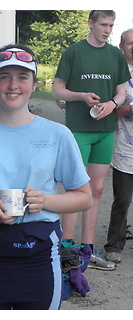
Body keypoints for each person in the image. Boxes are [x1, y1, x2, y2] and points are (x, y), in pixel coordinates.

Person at [0, 44, 92, 310]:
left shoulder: (57, 135)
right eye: (4, 76)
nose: (13, 85)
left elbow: (84, 198)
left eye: (23, 77)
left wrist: (45, 201)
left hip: (39, 257)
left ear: (34, 84)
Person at [52, 10, 131, 271]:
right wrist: (82, 96)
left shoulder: (116, 54)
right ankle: (66, 249)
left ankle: (88, 250)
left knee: (96, 191)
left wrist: (112, 103)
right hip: (78, 129)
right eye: (103, 25)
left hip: (106, 129)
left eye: (111, 25)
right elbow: (57, 89)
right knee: (76, 189)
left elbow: (121, 91)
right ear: (91, 24)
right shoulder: (74, 52)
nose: (107, 30)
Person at [104, 28, 133, 264]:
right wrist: (129, 109)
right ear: (121, 47)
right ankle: (114, 245)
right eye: (130, 43)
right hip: (124, 147)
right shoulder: (115, 74)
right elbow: (107, 112)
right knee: (122, 199)